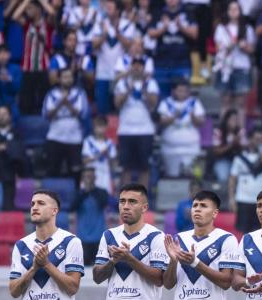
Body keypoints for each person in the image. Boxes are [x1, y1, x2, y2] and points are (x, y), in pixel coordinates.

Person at [114, 57, 159, 187]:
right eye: (135, 65)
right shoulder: (122, 84)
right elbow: (117, 103)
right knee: (126, 167)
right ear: (130, 67)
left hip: (145, 131)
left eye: (140, 65)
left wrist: (143, 88)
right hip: (126, 131)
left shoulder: (151, 83)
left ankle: (142, 199)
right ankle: (125, 198)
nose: (137, 68)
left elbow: (154, 103)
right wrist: (129, 89)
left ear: (144, 68)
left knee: (144, 167)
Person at [213, 0, 255, 123]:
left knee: (240, 103)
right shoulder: (221, 28)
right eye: (231, 9)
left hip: (241, 66)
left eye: (236, 9)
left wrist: (244, 47)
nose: (233, 12)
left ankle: (240, 130)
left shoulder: (247, 29)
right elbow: (218, 48)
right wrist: (229, 46)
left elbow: (252, 49)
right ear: (227, 12)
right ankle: (223, 130)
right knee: (225, 101)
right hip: (225, 67)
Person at [42, 69, 87, 180]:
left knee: (75, 172)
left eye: (70, 77)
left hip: (74, 139)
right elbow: (46, 115)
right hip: (55, 137)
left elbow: (83, 114)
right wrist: (60, 103)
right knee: (52, 170)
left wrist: (68, 103)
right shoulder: (52, 94)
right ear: (59, 79)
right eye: (65, 77)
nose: (68, 80)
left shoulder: (80, 93)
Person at [229, 128, 262, 234]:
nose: (259, 142)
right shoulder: (240, 158)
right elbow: (232, 179)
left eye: (261, 140)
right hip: (243, 199)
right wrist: (232, 198)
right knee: (243, 232)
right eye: (256, 139)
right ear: (250, 140)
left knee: (261, 231)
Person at [147, 0, 197, 95]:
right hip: (161, 64)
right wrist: (164, 28)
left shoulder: (187, 13)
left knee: (182, 96)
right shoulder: (158, 13)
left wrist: (181, 27)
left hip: (182, 63)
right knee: (161, 96)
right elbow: (150, 33)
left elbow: (195, 34)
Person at [158, 79, 205, 178]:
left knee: (191, 177)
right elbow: (161, 122)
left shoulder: (194, 103)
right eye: (179, 91)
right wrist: (174, 116)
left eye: (184, 91)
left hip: (190, 147)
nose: (182, 93)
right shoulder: (165, 103)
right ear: (173, 91)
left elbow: (201, 123)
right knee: (172, 177)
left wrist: (193, 116)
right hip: (171, 148)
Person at [75, 168, 109, 266]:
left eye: (91, 176)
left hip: (98, 237)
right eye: (86, 177)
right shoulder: (79, 193)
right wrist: (85, 192)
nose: (89, 179)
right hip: (82, 238)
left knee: (99, 269)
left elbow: (103, 203)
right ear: (82, 179)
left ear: (95, 178)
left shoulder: (102, 192)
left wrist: (91, 190)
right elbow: (72, 206)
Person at [82, 116, 118, 196]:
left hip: (104, 175)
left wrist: (108, 156)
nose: (100, 128)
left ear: (106, 127)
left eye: (102, 126)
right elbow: (84, 161)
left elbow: (114, 165)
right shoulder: (88, 141)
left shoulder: (110, 143)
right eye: (97, 126)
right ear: (94, 127)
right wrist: (99, 154)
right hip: (90, 174)